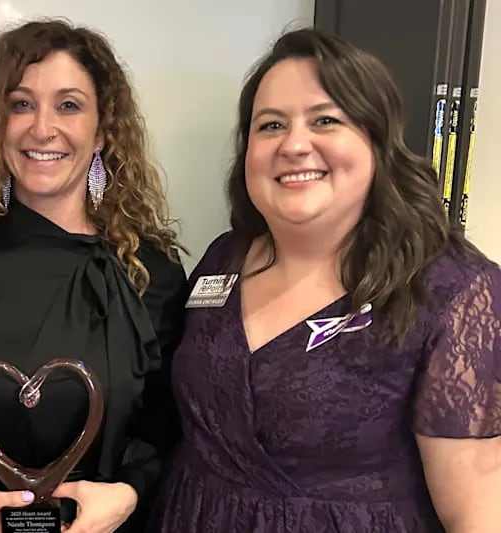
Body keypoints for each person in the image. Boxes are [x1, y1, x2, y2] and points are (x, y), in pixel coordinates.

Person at [151, 28, 501, 532]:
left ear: (376, 141)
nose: (294, 144)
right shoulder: (222, 259)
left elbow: (477, 510)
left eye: (325, 120)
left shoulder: (453, 290)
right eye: (270, 125)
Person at [0, 18, 188, 533]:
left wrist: (128, 492)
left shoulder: (152, 273)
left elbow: (171, 422)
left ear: (101, 132)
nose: (42, 128)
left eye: (69, 105)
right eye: (21, 104)